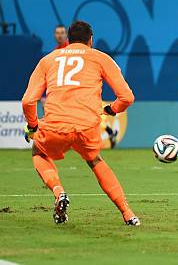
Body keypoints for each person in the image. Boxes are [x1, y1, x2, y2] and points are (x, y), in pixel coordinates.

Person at [21, 21, 139, 225]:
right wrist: (112, 109)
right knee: (94, 160)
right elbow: (127, 97)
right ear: (91, 39)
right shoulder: (101, 58)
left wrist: (33, 125)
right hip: (87, 126)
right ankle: (128, 214)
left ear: (68, 39)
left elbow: (28, 101)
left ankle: (59, 192)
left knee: (39, 152)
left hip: (56, 124)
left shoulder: (48, 60)